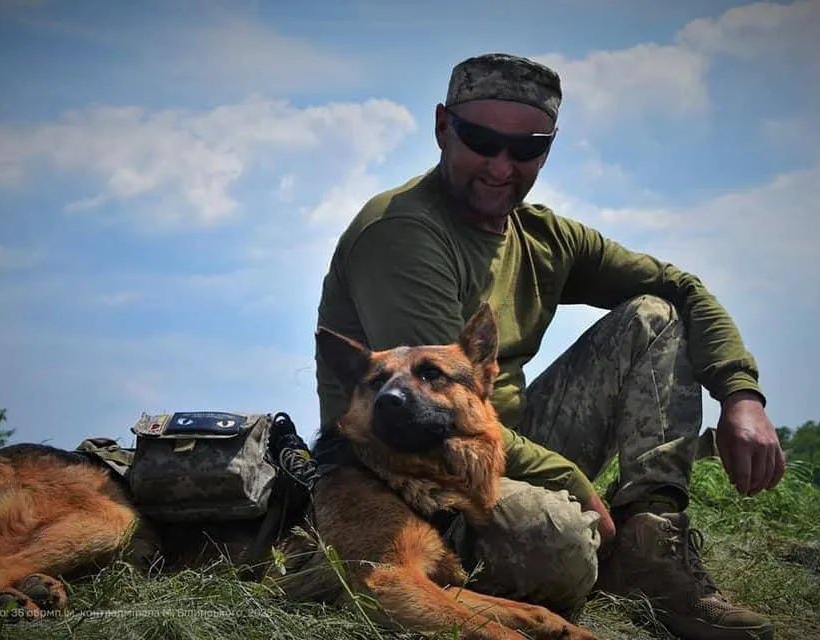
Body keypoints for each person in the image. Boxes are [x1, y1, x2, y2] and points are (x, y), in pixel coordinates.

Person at [314, 52, 784, 640]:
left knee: (654, 315)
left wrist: (741, 396)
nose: (500, 166)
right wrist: (575, 484)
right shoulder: (403, 233)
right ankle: (553, 560)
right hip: (414, 469)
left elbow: (682, 288)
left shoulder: (546, 236)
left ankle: (651, 552)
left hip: (503, 446)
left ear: (548, 148)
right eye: (481, 140)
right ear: (442, 127)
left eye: (526, 148)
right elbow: (430, 420)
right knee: (561, 546)